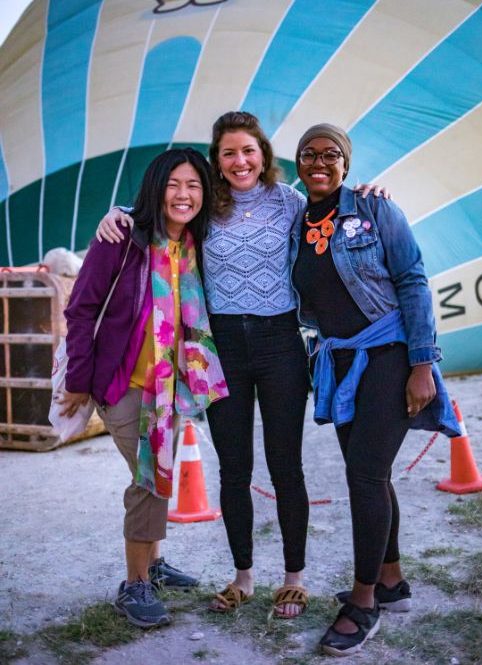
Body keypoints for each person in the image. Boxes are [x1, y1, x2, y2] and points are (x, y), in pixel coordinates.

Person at [96, 112, 387, 619]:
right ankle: (243, 576)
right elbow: (163, 208)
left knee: (285, 466)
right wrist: (115, 212)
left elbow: (336, 209)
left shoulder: (290, 202)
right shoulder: (209, 205)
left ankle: (293, 577)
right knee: (234, 469)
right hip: (222, 347)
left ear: (264, 155)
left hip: (280, 344)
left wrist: (369, 194)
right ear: (218, 160)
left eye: (248, 151)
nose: (240, 161)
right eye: (228, 153)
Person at [290, 123, 460, 656]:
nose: (319, 162)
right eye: (308, 154)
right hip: (341, 363)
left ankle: (363, 602)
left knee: (365, 476)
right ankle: (390, 581)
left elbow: (412, 280)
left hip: (389, 356)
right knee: (370, 475)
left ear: (347, 162)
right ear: (297, 163)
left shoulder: (375, 209)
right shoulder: (297, 221)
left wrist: (421, 365)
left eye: (331, 154)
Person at [59, 148, 228, 628]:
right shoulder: (121, 240)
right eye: (174, 184)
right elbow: (81, 310)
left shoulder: (194, 241)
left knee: (160, 475)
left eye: (194, 185)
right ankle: (134, 585)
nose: (184, 194)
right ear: (156, 188)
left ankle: (152, 566)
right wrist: (78, 381)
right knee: (151, 480)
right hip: (127, 385)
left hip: (171, 387)